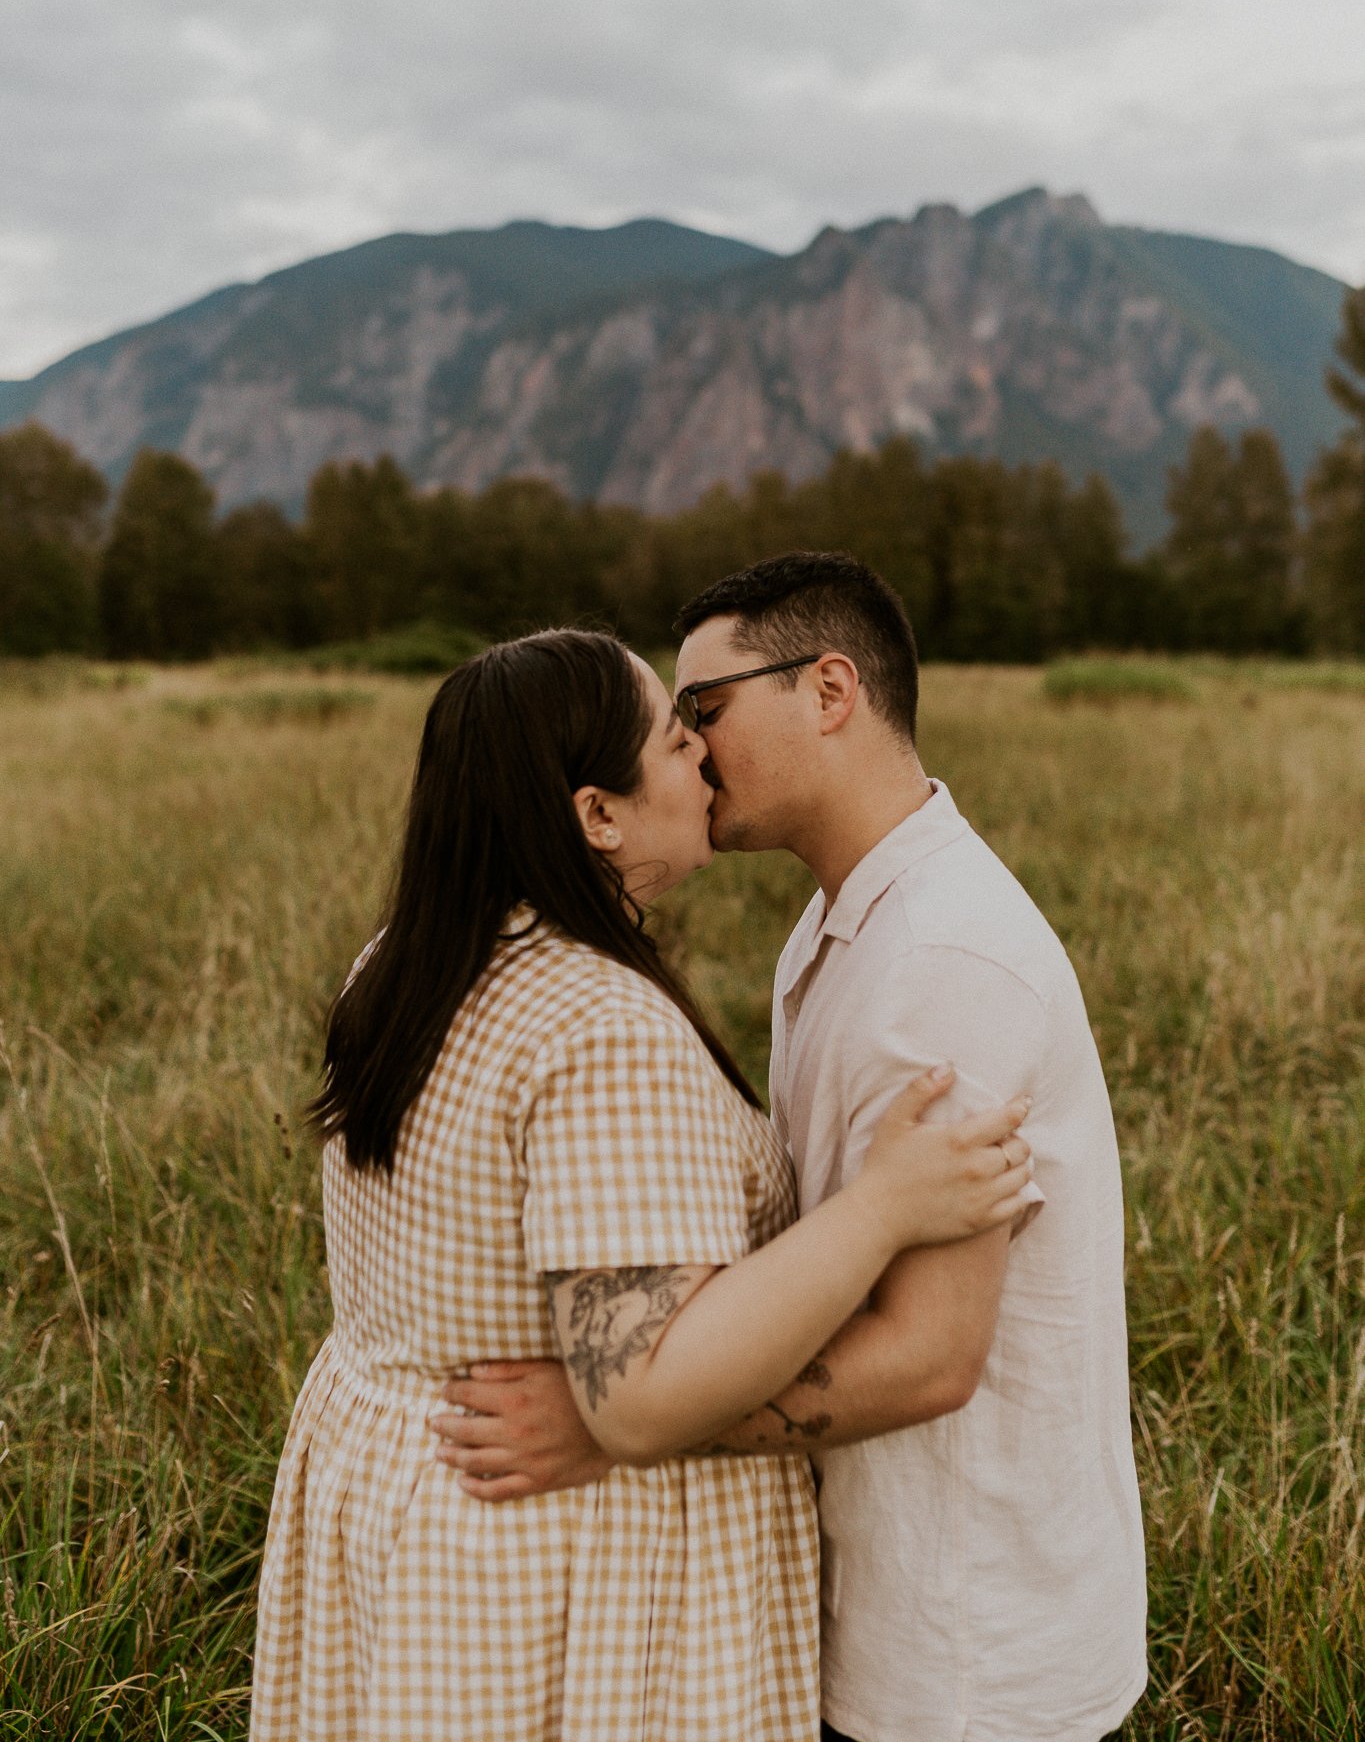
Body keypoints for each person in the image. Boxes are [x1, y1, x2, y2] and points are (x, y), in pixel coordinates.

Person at [250, 627, 1034, 1742]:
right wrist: (884, 1206)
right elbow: (644, 1390)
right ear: (597, 814)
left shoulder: (400, 963)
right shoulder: (599, 1028)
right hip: (563, 1562)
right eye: (676, 737)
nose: (704, 758)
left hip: (405, 1516)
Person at [432, 559, 1148, 1742]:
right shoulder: (836, 923)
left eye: (703, 710)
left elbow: (929, 1356)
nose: (694, 753)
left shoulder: (945, 966)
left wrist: (616, 1414)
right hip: (877, 1599)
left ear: (829, 689)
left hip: (963, 1653)